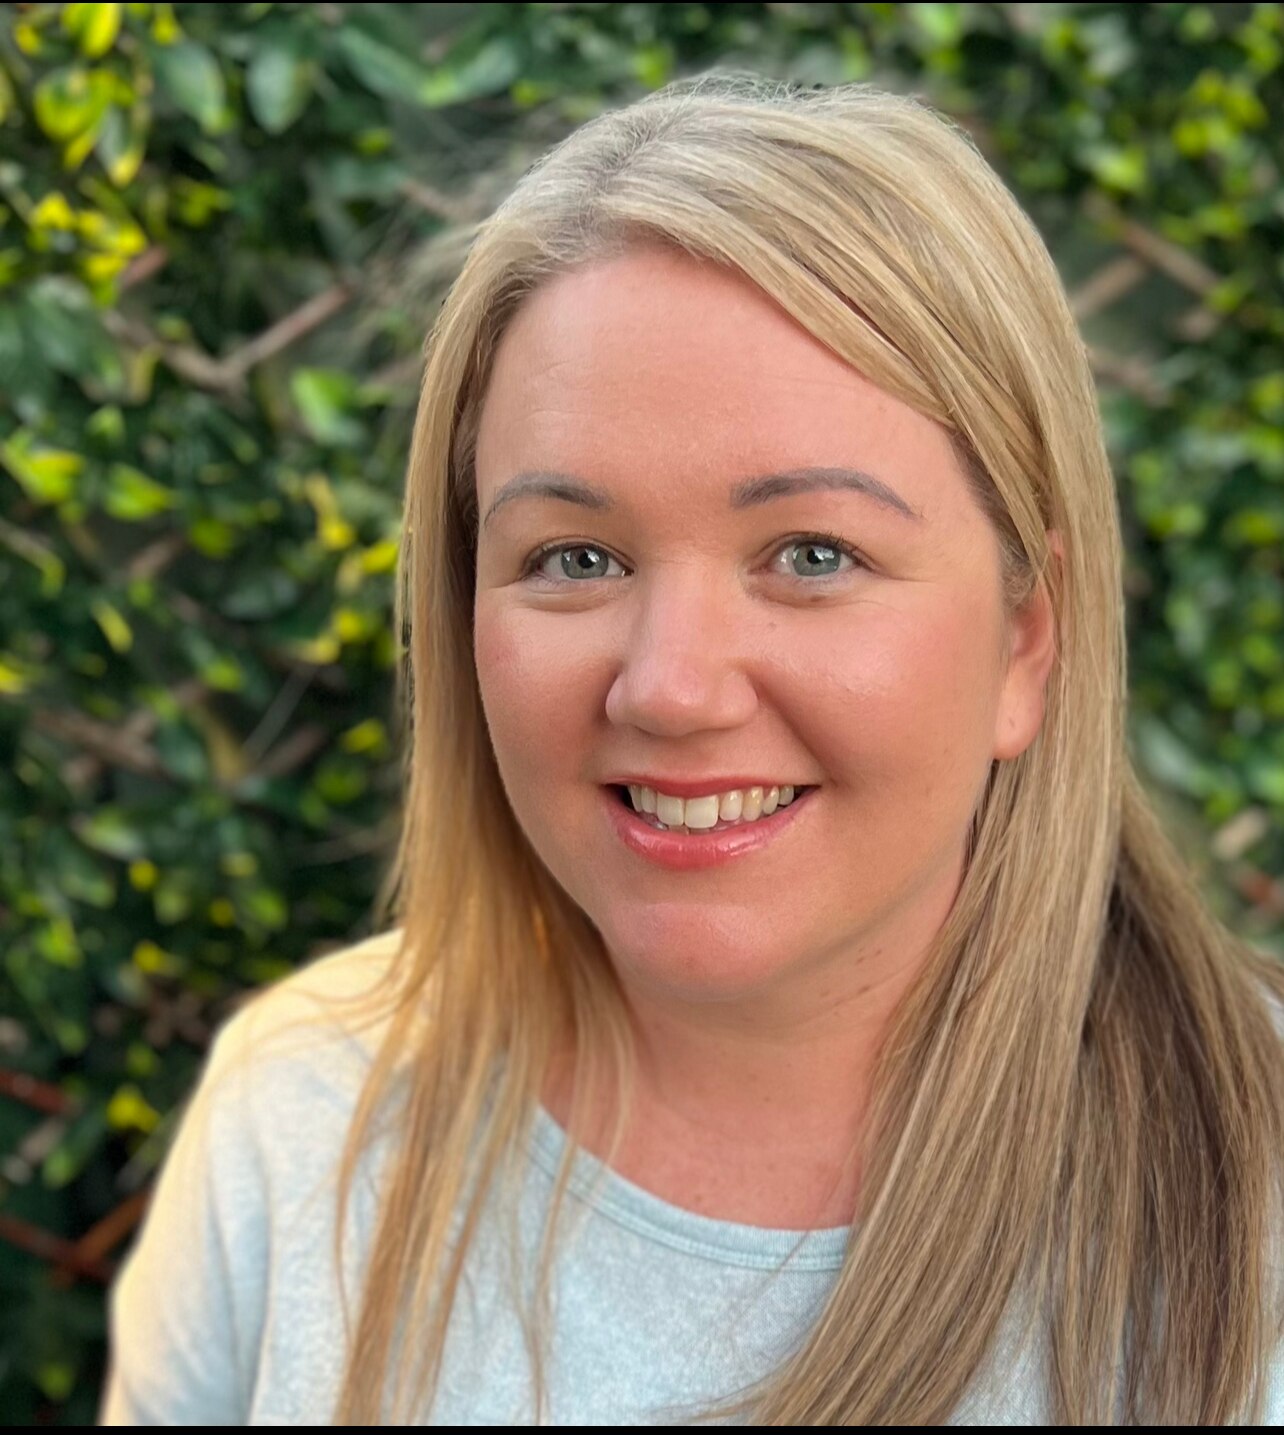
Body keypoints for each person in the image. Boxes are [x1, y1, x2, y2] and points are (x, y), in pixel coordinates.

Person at [98, 73, 1284, 1426]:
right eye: (576, 557)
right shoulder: (303, 1119)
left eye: (813, 555)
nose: (668, 688)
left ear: (1027, 637)